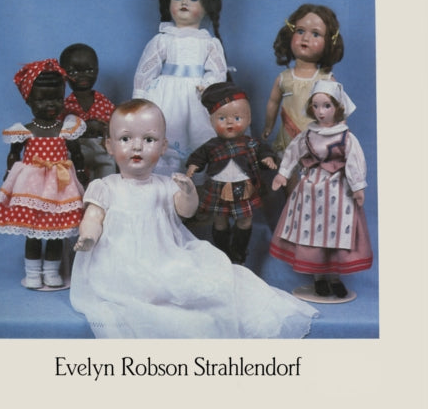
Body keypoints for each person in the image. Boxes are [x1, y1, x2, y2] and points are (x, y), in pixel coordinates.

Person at [70, 98, 318, 339]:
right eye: (126, 139)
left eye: (149, 139)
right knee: (136, 290)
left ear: (163, 146)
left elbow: (186, 211)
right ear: (109, 146)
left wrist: (188, 192)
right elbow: (93, 217)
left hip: (164, 255)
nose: (137, 147)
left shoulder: (165, 185)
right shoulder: (106, 187)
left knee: (195, 281)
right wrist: (88, 236)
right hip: (120, 260)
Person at [132, 0, 230, 179]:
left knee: (199, 138)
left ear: (206, 6)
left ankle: (195, 187)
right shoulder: (163, 39)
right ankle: (165, 184)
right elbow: (145, 72)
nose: (184, 2)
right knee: (166, 137)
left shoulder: (209, 43)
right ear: (168, 2)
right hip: (165, 98)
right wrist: (139, 101)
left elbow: (217, 71)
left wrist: (208, 85)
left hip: (197, 98)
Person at [269, 80, 373, 299]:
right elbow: (293, 152)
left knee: (336, 232)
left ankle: (334, 278)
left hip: (338, 190)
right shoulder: (308, 134)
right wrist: (283, 173)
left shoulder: (345, 136)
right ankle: (319, 279)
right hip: (311, 191)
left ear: (338, 107)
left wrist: (357, 187)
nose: (320, 111)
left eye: (326, 106)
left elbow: (355, 162)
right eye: (316, 106)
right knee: (312, 231)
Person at [0, 59, 86, 290]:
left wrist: (82, 173)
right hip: (30, 187)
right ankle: (32, 272)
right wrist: (8, 175)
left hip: (60, 186)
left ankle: (51, 272)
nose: (50, 105)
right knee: (32, 232)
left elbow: (76, 154)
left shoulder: (66, 129)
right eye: (41, 100)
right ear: (29, 100)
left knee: (56, 231)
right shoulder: (25, 131)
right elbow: (14, 155)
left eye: (56, 98)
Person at [186, 82, 278, 264]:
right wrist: (193, 166)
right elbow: (198, 157)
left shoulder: (251, 143)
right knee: (220, 220)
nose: (229, 122)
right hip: (218, 189)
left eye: (237, 118)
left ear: (248, 119)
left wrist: (267, 159)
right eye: (222, 118)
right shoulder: (211, 146)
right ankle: (223, 251)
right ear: (212, 122)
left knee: (245, 220)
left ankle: (239, 250)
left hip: (245, 190)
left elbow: (264, 151)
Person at [262, 4, 344, 199]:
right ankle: (292, 211)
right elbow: (273, 102)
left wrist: (339, 134)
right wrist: (268, 126)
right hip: (288, 140)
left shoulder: (325, 79)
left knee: (315, 184)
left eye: (315, 34)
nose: (306, 38)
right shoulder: (284, 78)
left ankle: (313, 212)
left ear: (329, 42)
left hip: (316, 141)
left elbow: (339, 109)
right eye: (300, 31)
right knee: (289, 181)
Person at [59, 43, 116, 181]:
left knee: (108, 168)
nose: (82, 76)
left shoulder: (103, 102)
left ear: (97, 70)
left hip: (101, 148)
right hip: (75, 149)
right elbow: (60, 132)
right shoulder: (65, 106)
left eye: (89, 70)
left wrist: (105, 128)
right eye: (73, 72)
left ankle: (107, 190)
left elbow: (116, 125)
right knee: (70, 172)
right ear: (64, 74)